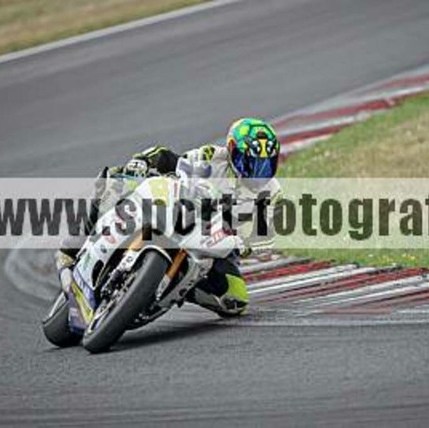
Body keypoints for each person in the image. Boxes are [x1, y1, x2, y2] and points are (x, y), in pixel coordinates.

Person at [56, 118, 282, 317]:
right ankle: (72, 248)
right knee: (117, 181)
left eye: (266, 164)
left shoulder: (271, 192)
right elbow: (177, 163)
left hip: (218, 242)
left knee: (235, 300)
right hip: (186, 212)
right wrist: (145, 162)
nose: (258, 172)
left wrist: (247, 245)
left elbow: (265, 233)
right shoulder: (213, 157)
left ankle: (178, 287)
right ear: (232, 151)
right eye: (251, 162)